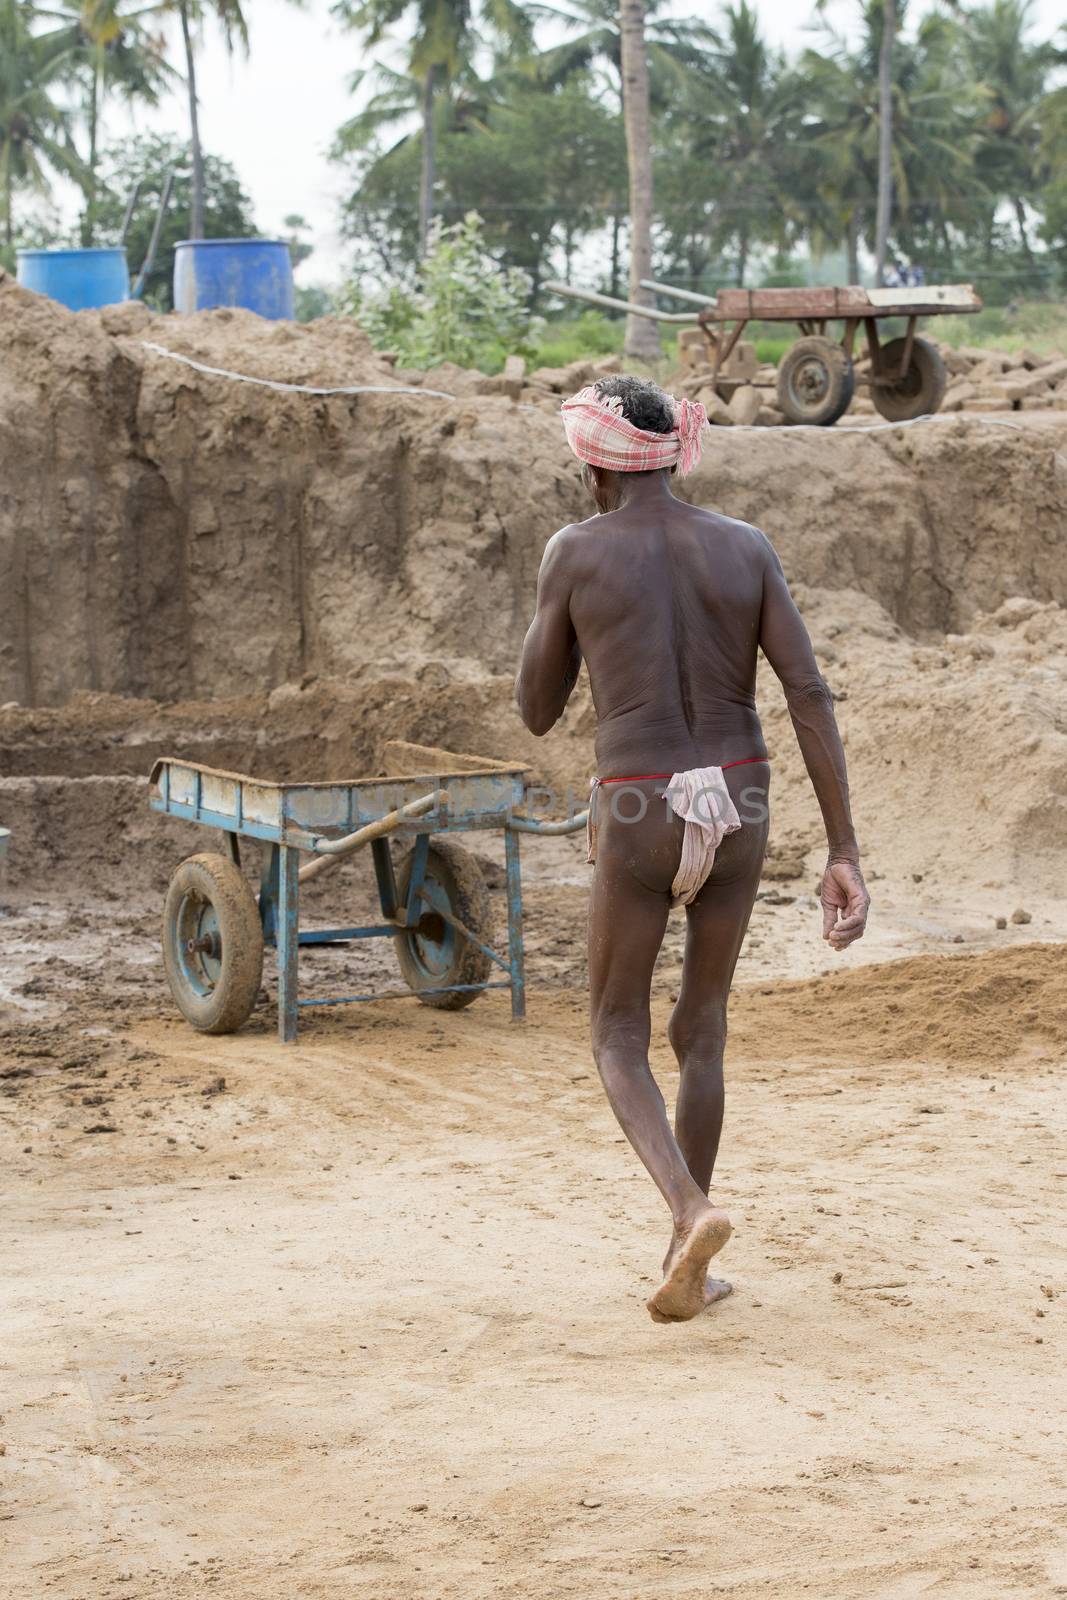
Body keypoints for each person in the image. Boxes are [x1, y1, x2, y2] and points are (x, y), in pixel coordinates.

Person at [515, 376, 869, 1324]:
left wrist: (562, 604)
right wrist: (842, 849)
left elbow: (537, 711)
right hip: (742, 795)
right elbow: (809, 693)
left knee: (615, 1033)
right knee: (700, 1030)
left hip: (637, 805)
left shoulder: (574, 553)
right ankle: (689, 1261)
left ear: (593, 463)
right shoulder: (744, 547)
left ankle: (689, 1208)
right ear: (675, 452)